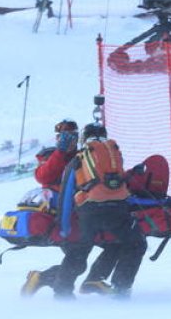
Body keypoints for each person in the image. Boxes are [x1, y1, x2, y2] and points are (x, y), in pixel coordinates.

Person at [21, 119, 119, 297]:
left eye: (73, 136)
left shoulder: (86, 155)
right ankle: (62, 291)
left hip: (85, 214)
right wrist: (61, 152)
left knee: (87, 256)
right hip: (63, 218)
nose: (69, 140)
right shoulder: (51, 156)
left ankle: (45, 279)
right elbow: (43, 176)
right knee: (77, 259)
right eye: (64, 136)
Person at [52, 121, 147, 299]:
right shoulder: (113, 155)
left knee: (80, 249)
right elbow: (119, 183)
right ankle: (121, 288)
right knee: (136, 243)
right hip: (117, 210)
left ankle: (62, 291)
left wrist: (63, 226)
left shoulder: (78, 159)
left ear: (84, 138)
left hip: (89, 211)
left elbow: (65, 196)